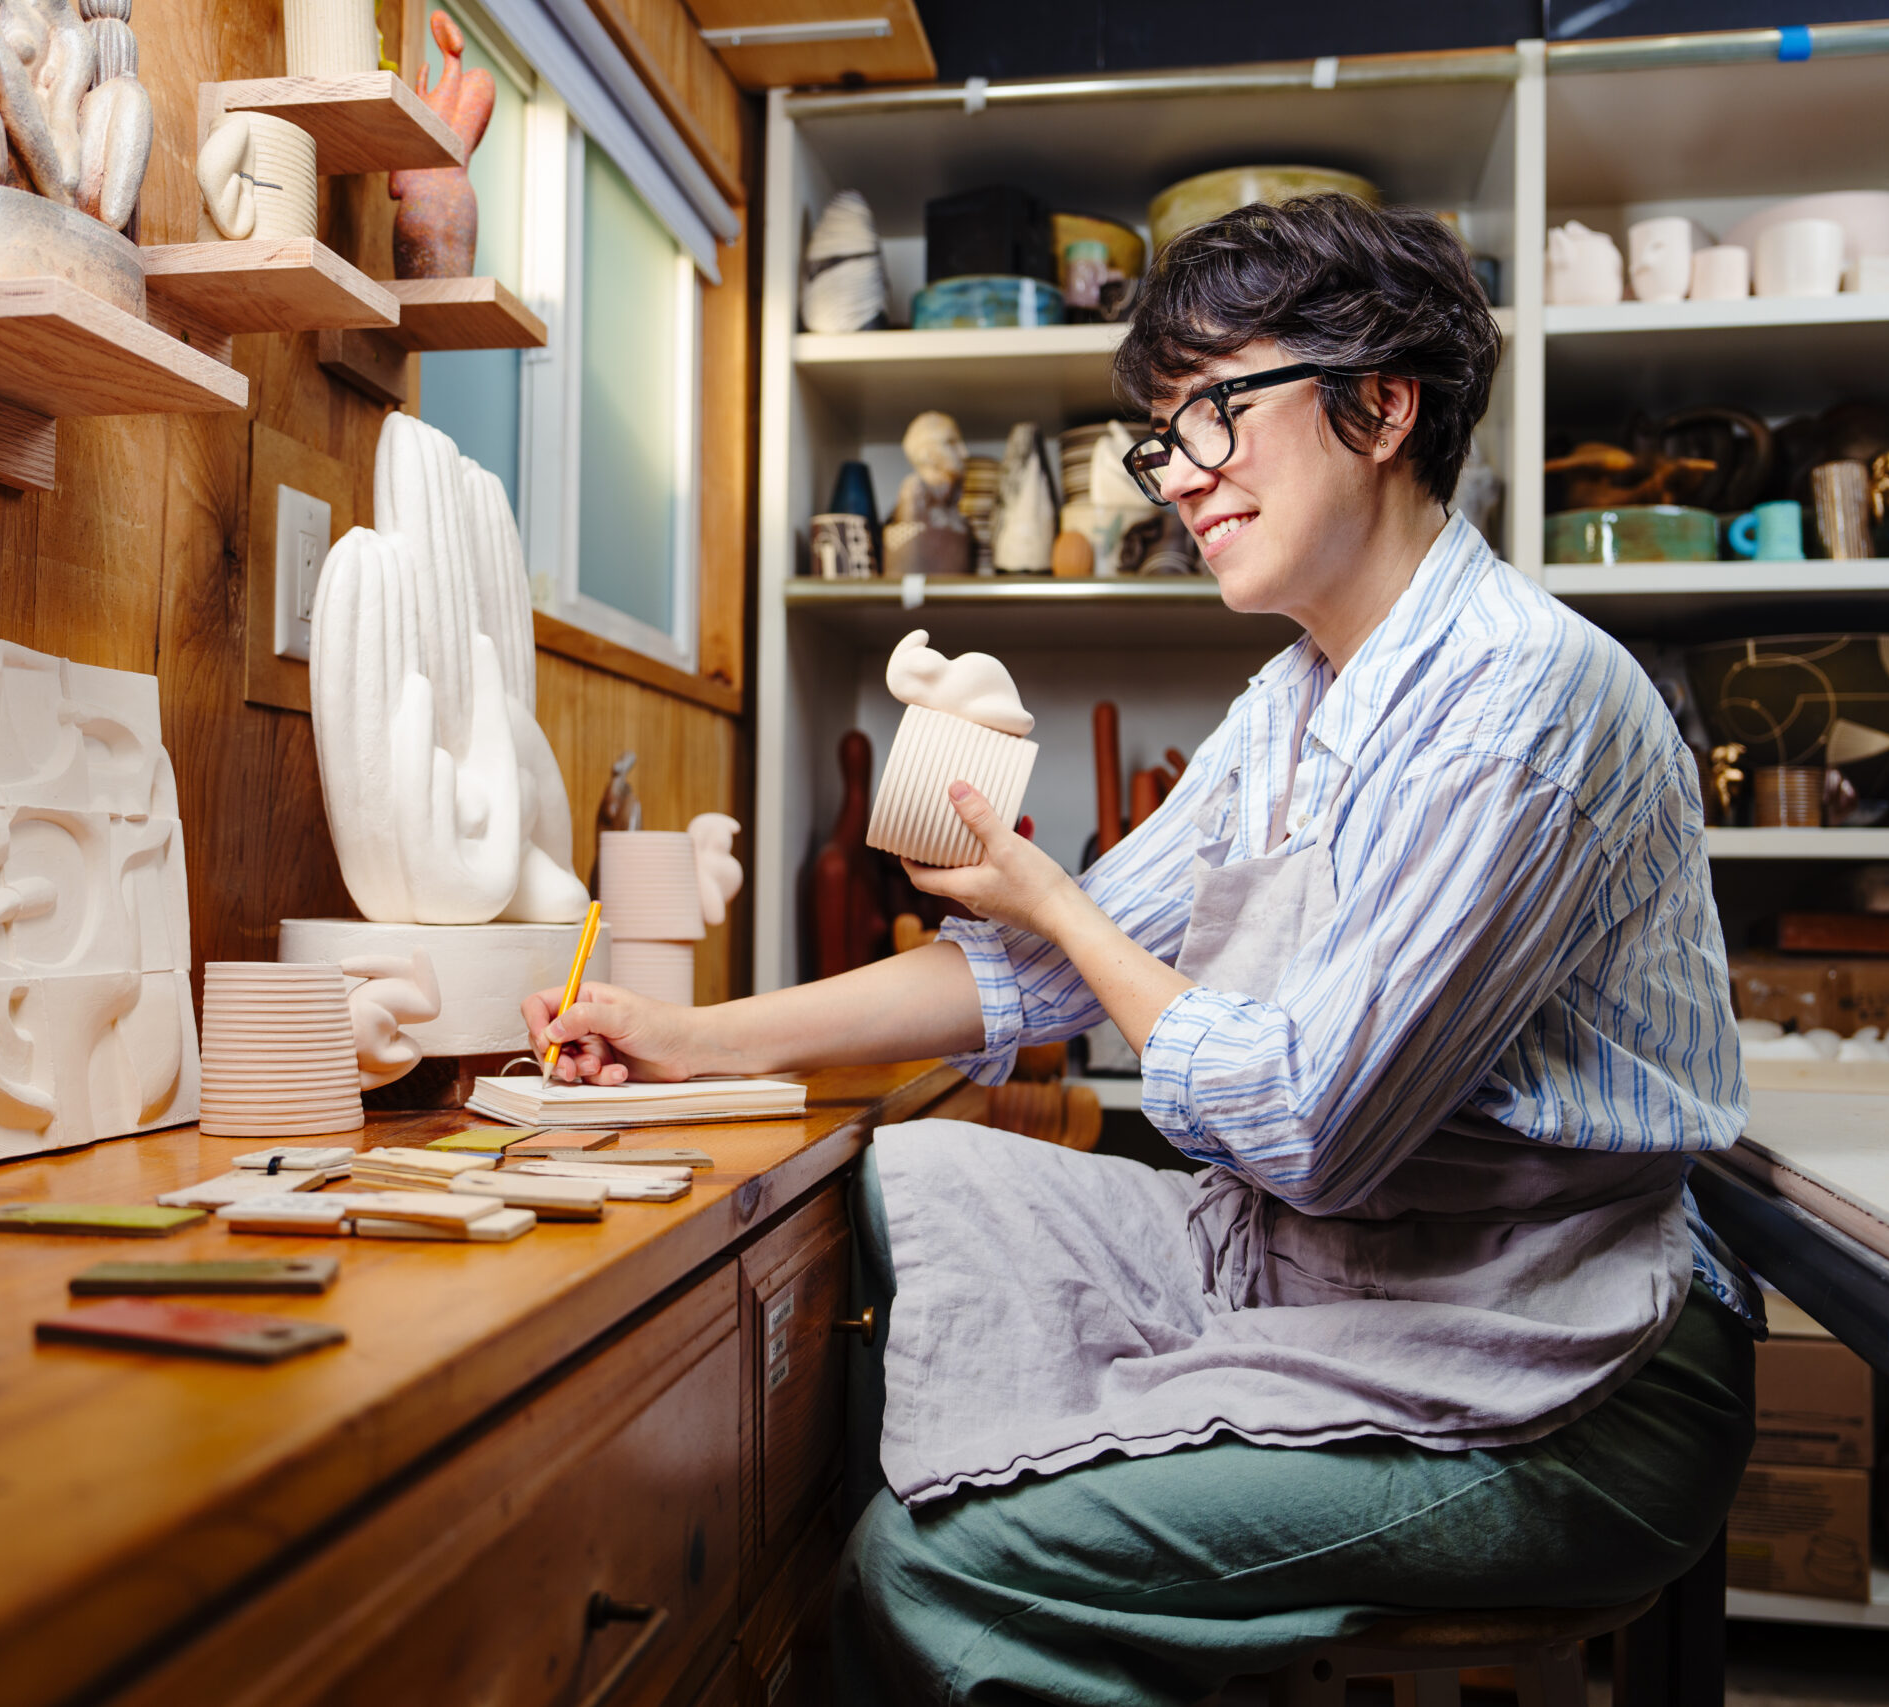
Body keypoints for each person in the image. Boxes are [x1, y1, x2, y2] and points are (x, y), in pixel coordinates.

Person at [526, 195, 1757, 1707]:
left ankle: (965, 1580)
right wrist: (695, 1034)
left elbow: (1310, 1125)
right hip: (1351, 1279)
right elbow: (1041, 974)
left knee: (935, 1568)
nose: (1181, 477)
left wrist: (1050, 899)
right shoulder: (1297, 701)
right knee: (909, 1183)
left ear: (1382, 405)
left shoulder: (1522, 704)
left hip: (1549, 1365)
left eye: (1216, 414)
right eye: (1161, 438)